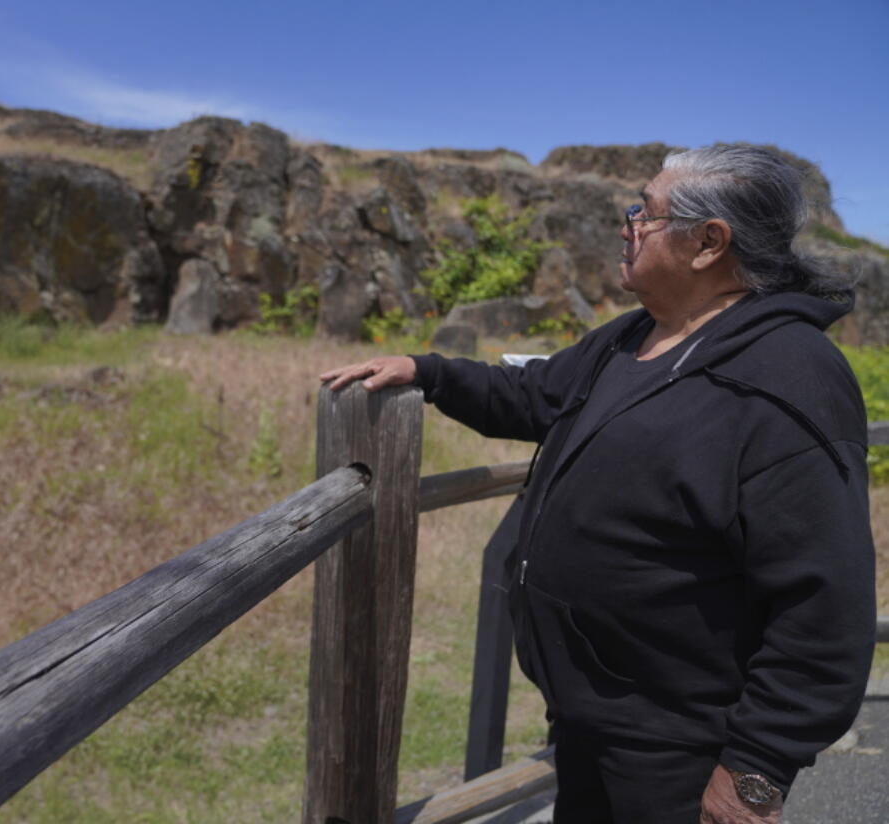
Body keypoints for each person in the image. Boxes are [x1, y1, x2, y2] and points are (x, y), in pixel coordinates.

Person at [320, 145, 876, 824]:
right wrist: (427, 371)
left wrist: (755, 771)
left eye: (645, 211)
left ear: (708, 243)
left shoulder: (792, 378)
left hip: (685, 750)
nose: (627, 223)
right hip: (591, 719)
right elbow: (532, 395)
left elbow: (826, 604)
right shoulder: (637, 336)